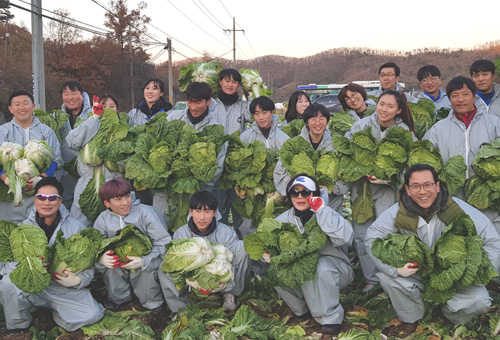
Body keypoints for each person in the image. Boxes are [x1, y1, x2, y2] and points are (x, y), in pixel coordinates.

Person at [364, 164, 500, 336]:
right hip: (417, 273)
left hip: (453, 277)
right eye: (416, 186)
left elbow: (492, 240)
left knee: (479, 300)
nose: (422, 191)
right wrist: (395, 269)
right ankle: (411, 317)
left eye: (427, 185)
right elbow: (371, 238)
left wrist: (474, 273)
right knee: (389, 278)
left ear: (437, 186)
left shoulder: (458, 210)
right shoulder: (398, 212)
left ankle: (450, 315)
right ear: (407, 189)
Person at [0, 177, 103, 332]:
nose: (46, 203)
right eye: (41, 197)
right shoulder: (20, 230)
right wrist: (29, 267)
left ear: (60, 201)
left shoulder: (77, 228)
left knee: (93, 314)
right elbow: (5, 264)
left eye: (52, 198)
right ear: (34, 200)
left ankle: (57, 315)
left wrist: (80, 279)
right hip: (31, 286)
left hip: (62, 287)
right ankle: (19, 327)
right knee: (8, 283)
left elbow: (89, 261)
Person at [345, 89, 416, 292]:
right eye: (381, 104)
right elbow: (346, 155)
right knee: (361, 235)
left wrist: (391, 178)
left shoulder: (404, 132)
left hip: (389, 190)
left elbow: (411, 166)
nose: (384, 109)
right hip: (362, 189)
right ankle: (371, 279)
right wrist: (359, 171)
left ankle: (388, 277)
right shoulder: (361, 126)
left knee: (385, 234)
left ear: (399, 110)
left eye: (390, 106)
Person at [268, 174, 353, 336]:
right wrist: (267, 254)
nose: (300, 197)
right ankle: (301, 310)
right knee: (276, 270)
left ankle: (330, 318)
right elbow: (263, 242)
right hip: (303, 272)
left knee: (319, 267)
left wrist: (322, 211)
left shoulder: (326, 213)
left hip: (336, 270)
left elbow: (346, 237)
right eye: (295, 193)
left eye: (306, 192)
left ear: (314, 194)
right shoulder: (281, 221)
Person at [423, 76, 500, 231]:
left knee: (491, 243)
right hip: (451, 201)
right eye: (455, 95)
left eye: (465, 94)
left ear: (474, 96)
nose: (460, 99)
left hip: (488, 198)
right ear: (449, 99)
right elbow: (424, 162)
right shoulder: (438, 129)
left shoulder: (495, 124)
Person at [158, 190, 250, 312]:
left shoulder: (226, 232)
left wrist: (222, 281)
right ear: (191, 212)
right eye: (197, 211)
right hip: (192, 279)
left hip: (221, 277)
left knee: (242, 248)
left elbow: (233, 260)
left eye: (207, 212)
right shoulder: (182, 233)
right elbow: (176, 263)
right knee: (163, 268)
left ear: (215, 213)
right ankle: (182, 307)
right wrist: (193, 282)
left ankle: (229, 293)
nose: (202, 217)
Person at [94, 178, 171, 313]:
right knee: (111, 267)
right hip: (119, 262)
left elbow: (163, 241)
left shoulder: (145, 212)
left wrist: (144, 260)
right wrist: (101, 257)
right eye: (118, 199)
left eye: (127, 196)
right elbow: (96, 245)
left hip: (147, 258)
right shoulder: (102, 220)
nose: (125, 203)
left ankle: (152, 303)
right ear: (107, 203)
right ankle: (119, 301)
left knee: (145, 272)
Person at [157, 82, 227, 224]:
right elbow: (157, 144)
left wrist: (199, 180)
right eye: (190, 102)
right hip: (169, 188)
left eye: (198, 103)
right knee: (164, 224)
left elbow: (218, 163)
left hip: (201, 191)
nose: (193, 107)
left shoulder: (215, 127)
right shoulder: (172, 118)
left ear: (208, 101)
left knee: (197, 229)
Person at [0, 90, 62, 222]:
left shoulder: (46, 131)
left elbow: (57, 159)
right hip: (10, 194)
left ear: (33, 106)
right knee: (10, 229)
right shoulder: (2, 131)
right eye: (17, 104)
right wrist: (7, 180)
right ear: (11, 109)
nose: (22, 107)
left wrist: (41, 178)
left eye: (25, 103)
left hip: (41, 193)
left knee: (38, 228)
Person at [274, 103, 348, 215]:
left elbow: (346, 170)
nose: (317, 123)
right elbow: (280, 172)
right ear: (306, 122)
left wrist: (333, 188)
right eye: (313, 119)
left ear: (327, 121)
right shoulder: (294, 144)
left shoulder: (337, 144)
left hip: (331, 204)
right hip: (302, 203)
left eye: (322, 119)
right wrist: (296, 192)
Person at [236, 96, 289, 239]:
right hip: (252, 191)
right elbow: (238, 167)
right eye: (257, 113)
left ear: (272, 112)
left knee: (275, 224)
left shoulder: (284, 139)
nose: (261, 117)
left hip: (276, 191)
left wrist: (283, 191)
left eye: (264, 112)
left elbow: (289, 168)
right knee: (249, 223)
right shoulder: (245, 138)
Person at [65, 96, 123, 226]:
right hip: (87, 182)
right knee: (79, 225)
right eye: (104, 105)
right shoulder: (87, 123)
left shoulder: (124, 130)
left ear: (117, 110)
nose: (107, 109)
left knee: (113, 227)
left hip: (114, 184)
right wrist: (94, 119)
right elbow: (72, 141)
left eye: (112, 106)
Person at [58, 80, 93, 210]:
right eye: (66, 94)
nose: (70, 97)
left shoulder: (93, 116)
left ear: (82, 96)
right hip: (65, 174)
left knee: (85, 209)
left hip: (89, 172)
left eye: (74, 93)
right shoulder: (57, 117)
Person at [213, 68, 252, 135]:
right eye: (227, 81)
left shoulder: (244, 106)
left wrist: (251, 94)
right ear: (220, 82)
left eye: (234, 82)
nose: (230, 85)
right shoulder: (211, 104)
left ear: (238, 85)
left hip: (237, 145)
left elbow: (253, 118)